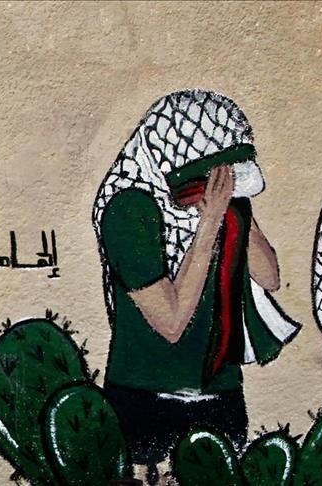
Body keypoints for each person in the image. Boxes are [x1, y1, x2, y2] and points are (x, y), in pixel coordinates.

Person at [91, 90, 300, 472]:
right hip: (146, 400)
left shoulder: (223, 206)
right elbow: (171, 322)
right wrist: (209, 225)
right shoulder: (129, 210)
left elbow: (269, 276)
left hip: (221, 397)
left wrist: (235, 208)